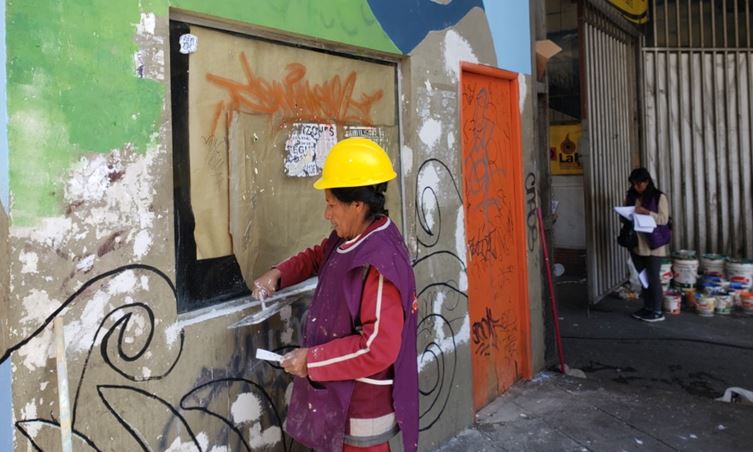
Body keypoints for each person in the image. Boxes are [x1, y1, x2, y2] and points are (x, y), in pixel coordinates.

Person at [251, 137, 418, 452]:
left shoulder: (379, 261)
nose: (327, 214)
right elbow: (319, 256)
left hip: (361, 412)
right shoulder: (349, 238)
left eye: (331, 205)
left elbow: (378, 348)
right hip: (338, 401)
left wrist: (311, 361)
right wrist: (278, 274)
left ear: (357, 204)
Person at [625, 167, 671, 323]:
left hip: (653, 244)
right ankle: (647, 307)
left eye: (639, 184)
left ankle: (658, 311)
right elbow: (626, 216)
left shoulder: (659, 197)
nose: (636, 187)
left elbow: (663, 220)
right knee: (643, 278)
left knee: (653, 278)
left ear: (647, 182)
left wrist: (646, 212)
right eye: (633, 184)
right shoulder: (631, 196)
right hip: (637, 243)